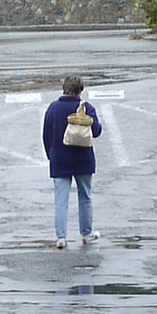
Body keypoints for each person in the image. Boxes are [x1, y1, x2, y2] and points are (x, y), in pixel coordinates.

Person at [42, 74, 102, 248]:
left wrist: (51, 156)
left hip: (60, 160)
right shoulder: (86, 107)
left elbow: (46, 135)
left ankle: (61, 237)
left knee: (61, 201)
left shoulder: (53, 108)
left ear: (64, 88)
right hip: (83, 159)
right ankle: (86, 233)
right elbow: (97, 131)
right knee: (85, 198)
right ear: (80, 90)